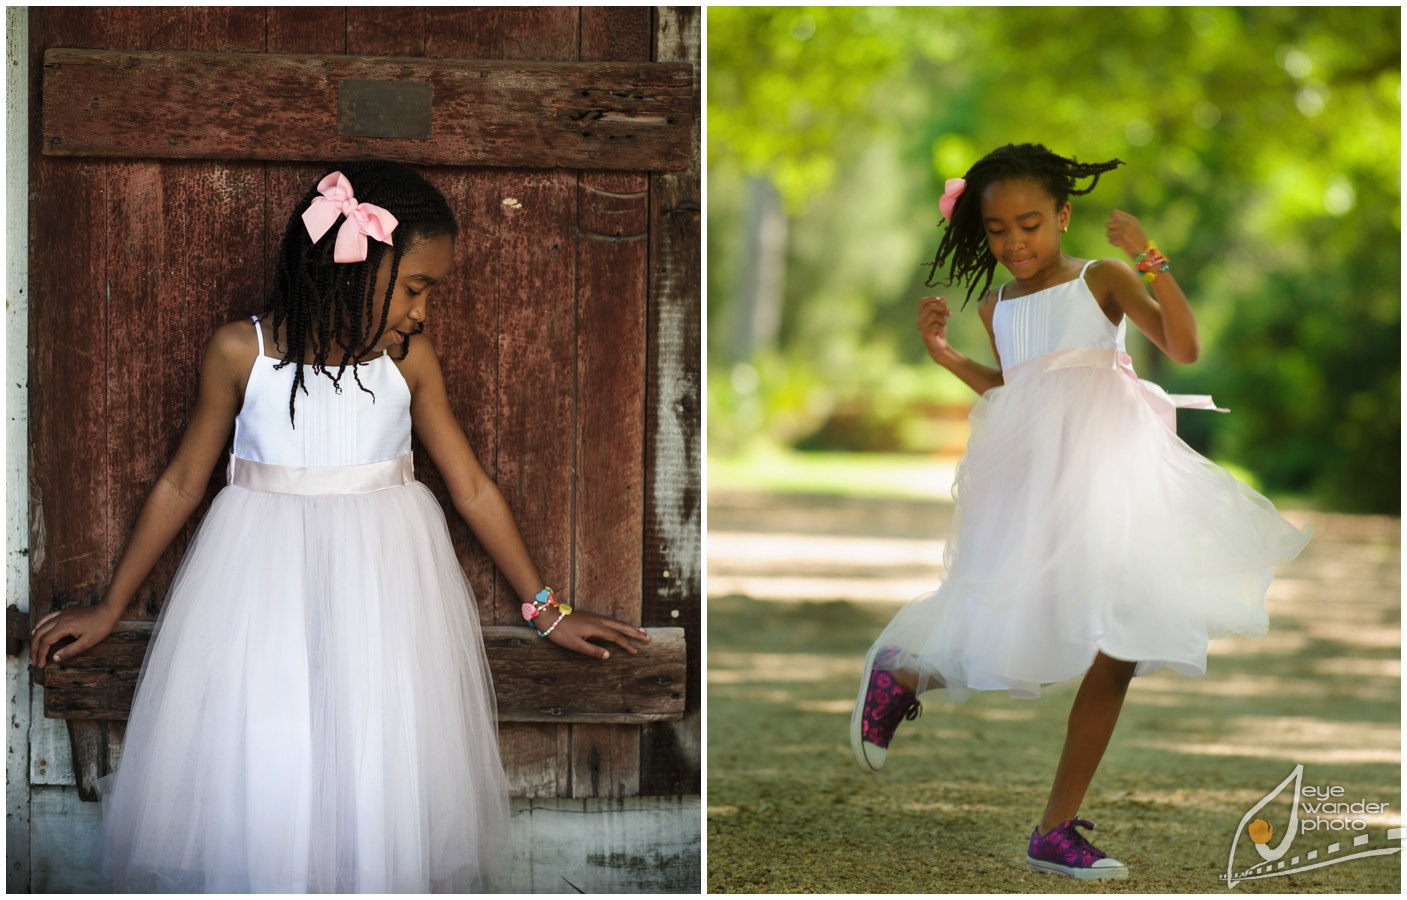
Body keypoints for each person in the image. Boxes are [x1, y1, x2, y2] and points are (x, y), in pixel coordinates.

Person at [29, 161, 652, 892]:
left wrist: (547, 611)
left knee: (376, 758)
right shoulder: (242, 352)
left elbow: (473, 488)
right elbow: (181, 481)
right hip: (260, 593)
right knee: (271, 746)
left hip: (384, 595)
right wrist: (111, 605)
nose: (423, 311)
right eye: (416, 287)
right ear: (351, 263)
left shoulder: (407, 362)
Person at [848, 143, 1308, 881]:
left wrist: (1149, 256)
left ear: (1063, 216)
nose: (1014, 242)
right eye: (997, 231)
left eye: (1029, 223)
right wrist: (944, 356)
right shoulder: (995, 304)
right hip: (1037, 487)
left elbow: (1182, 347)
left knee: (1119, 646)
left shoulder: (1103, 277)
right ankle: (900, 674)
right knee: (1013, 624)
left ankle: (1053, 829)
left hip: (1116, 480)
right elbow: (1016, 391)